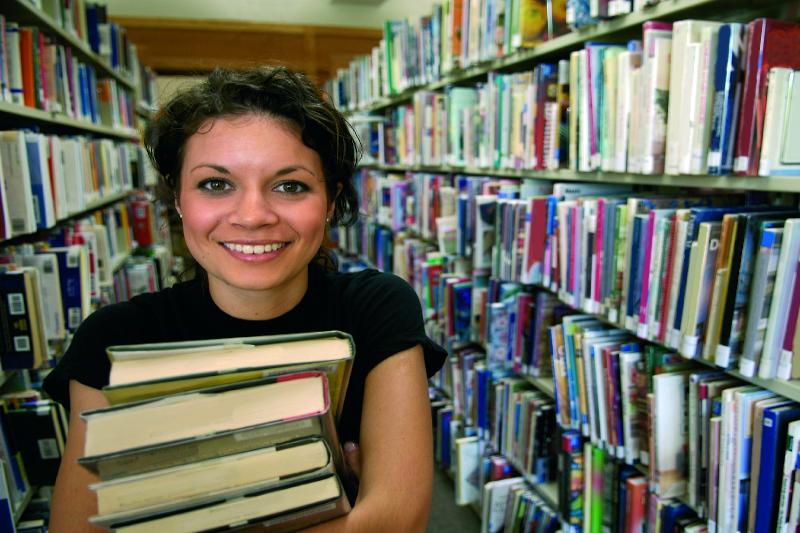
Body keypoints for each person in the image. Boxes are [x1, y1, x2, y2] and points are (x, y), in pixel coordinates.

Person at [43, 66, 447, 532]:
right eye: (216, 184)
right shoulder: (114, 341)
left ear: (332, 200)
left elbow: (397, 523)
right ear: (178, 197)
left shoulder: (377, 308)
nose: (253, 216)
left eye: (290, 185)